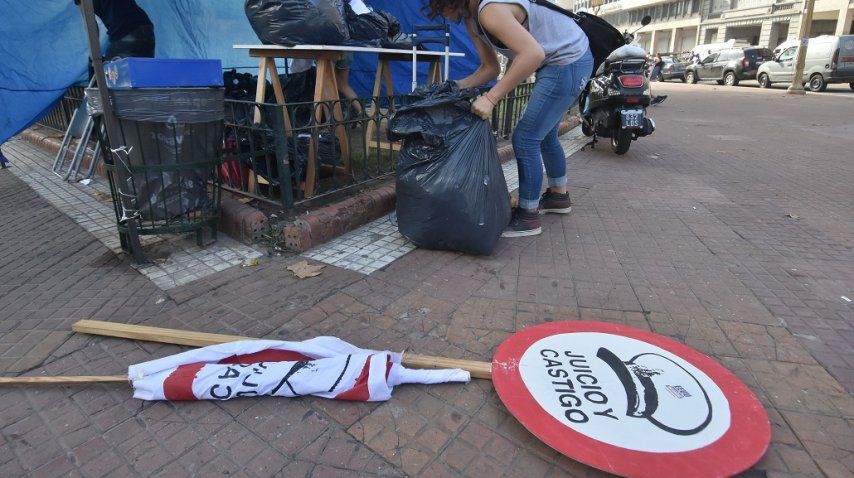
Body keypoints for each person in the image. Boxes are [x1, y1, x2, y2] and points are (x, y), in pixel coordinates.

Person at [427, 0, 592, 237]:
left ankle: (527, 216)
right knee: (545, 135)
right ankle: (558, 197)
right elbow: (490, 68)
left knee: (525, 138)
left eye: (440, 6)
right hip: (565, 59)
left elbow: (533, 54)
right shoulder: (472, 20)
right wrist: (455, 86)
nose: (441, 13)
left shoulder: (489, 10)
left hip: (568, 61)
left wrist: (491, 98)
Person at [75, 0, 155, 60]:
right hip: (145, 29)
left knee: (108, 74)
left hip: (124, 34)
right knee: (142, 74)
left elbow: (90, 24)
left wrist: (93, 57)